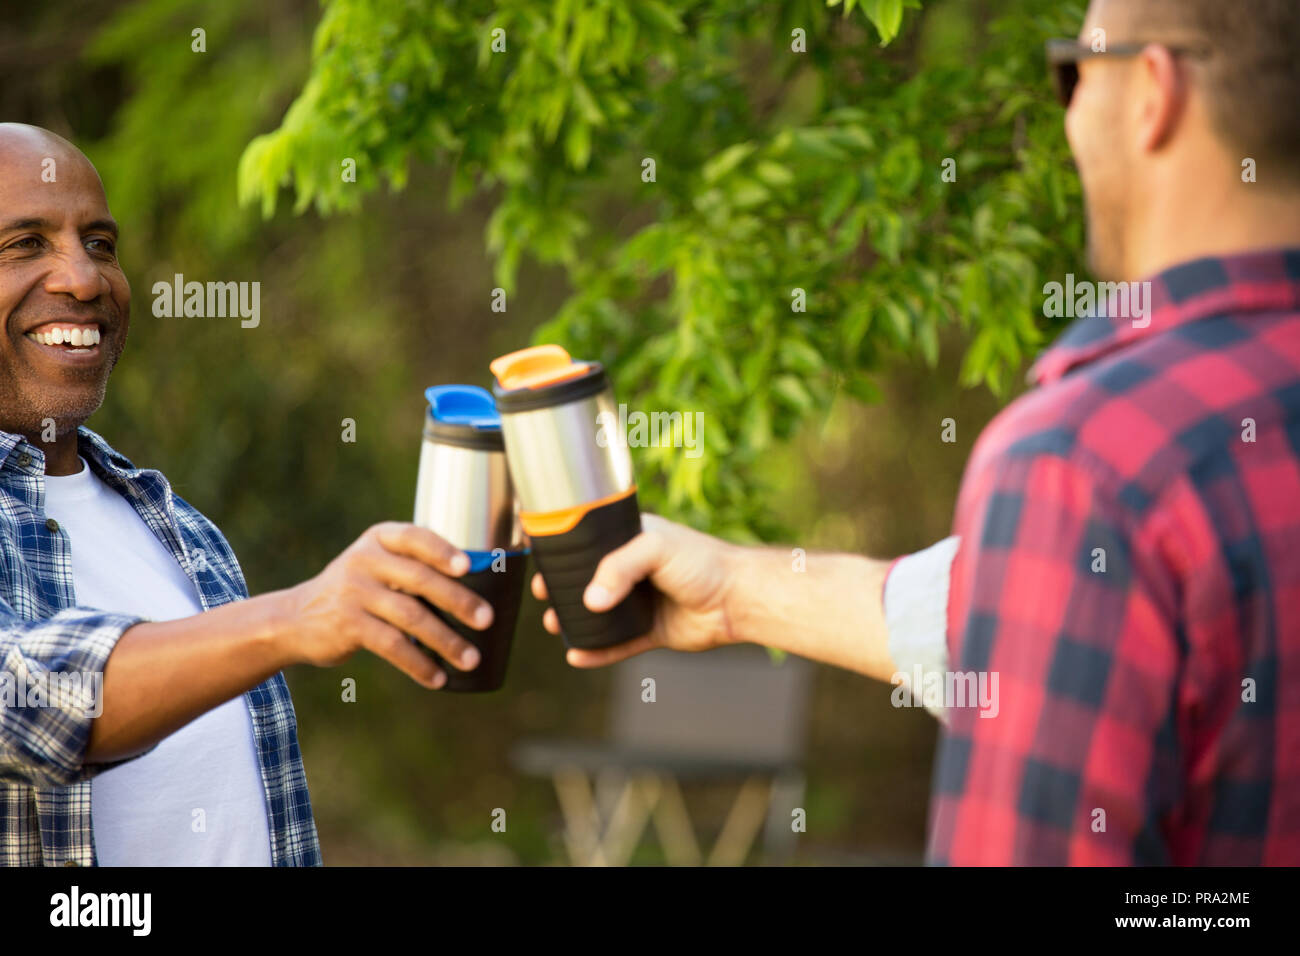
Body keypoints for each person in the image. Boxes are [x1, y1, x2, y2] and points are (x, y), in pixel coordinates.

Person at [533, 0, 1300, 864]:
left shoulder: (1088, 465)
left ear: (1150, 91)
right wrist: (737, 591)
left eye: (1071, 73)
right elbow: (1000, 614)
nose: (1068, 117)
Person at [0, 123, 495, 866]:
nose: (84, 278)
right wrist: (297, 617)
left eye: (100, 243)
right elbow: (30, 702)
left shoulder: (176, 525)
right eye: (24, 244)